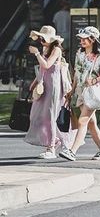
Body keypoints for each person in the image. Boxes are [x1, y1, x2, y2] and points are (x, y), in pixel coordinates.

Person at [59, 26, 100, 161]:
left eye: (85, 38)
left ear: (93, 39)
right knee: (91, 123)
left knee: (82, 121)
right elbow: (77, 73)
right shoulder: (80, 53)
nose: (82, 41)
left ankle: (72, 151)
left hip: (93, 93)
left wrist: (95, 80)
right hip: (81, 92)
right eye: (81, 38)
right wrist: (72, 90)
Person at [25, 26, 72, 159]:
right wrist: (35, 82)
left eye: (42, 38)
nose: (40, 40)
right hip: (44, 85)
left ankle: (51, 148)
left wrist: (37, 54)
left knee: (50, 116)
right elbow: (42, 69)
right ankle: (55, 141)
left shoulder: (56, 50)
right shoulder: (46, 49)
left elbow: (47, 65)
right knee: (38, 116)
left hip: (53, 86)